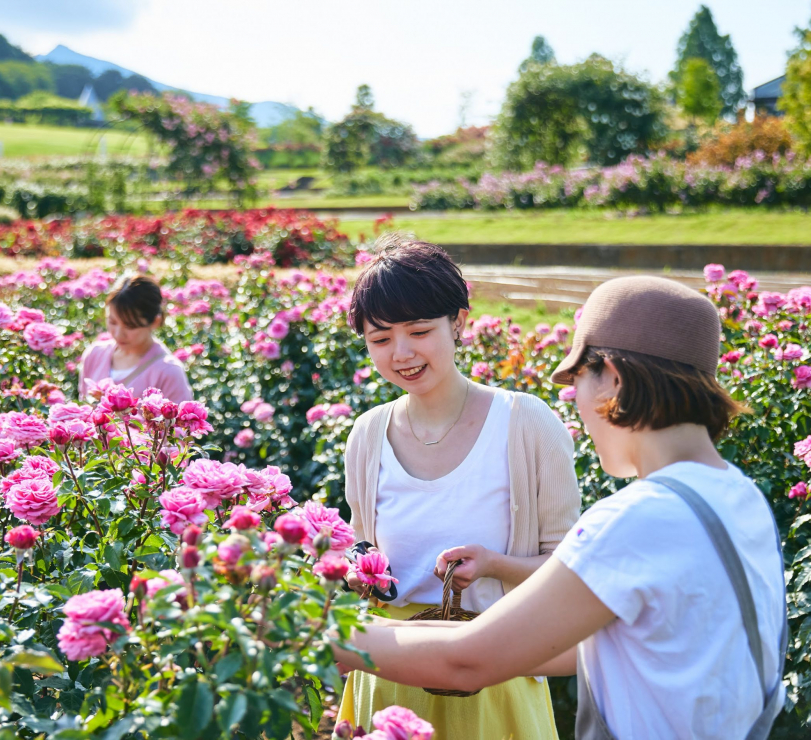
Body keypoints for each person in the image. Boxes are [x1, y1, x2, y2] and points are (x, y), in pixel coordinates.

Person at [333, 275, 787, 740]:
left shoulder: (636, 520)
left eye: (577, 382)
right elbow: (570, 651)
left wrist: (317, 632)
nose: (579, 407)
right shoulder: (739, 498)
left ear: (613, 379)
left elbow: (468, 661)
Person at [337, 235, 581, 739]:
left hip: (492, 669)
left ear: (460, 323)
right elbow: (367, 553)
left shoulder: (524, 423)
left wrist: (495, 565)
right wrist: (357, 574)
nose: (401, 353)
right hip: (390, 674)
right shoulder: (367, 435)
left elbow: (570, 571)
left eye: (419, 331)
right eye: (380, 339)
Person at [78, 275, 192, 403]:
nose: (119, 334)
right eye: (113, 322)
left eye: (130, 326)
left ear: (155, 321)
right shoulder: (95, 355)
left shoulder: (168, 372)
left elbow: (180, 423)